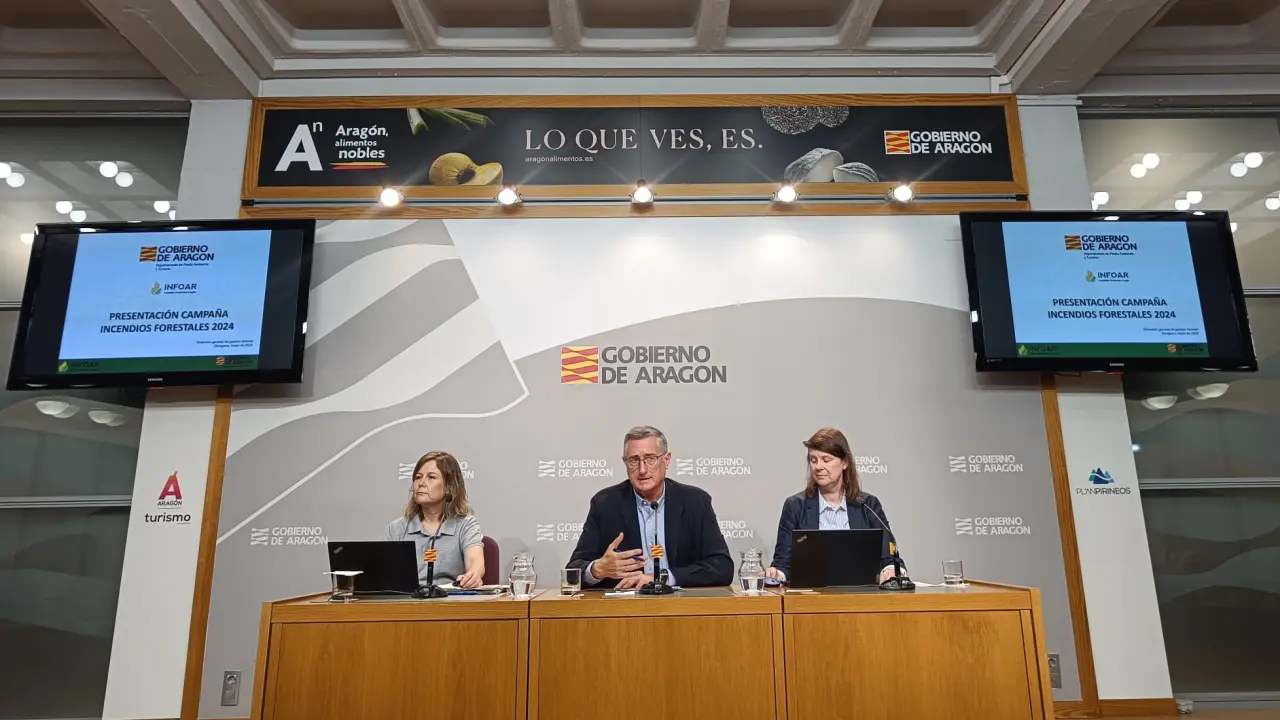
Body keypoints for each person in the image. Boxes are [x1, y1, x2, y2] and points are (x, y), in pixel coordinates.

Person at [567, 425, 733, 589]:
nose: (642, 469)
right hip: (626, 604)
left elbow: (722, 567)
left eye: (650, 459)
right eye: (634, 460)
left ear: (666, 460)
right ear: (625, 463)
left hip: (681, 602)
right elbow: (573, 571)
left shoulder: (695, 502)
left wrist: (663, 578)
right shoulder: (605, 504)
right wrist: (597, 570)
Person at [766, 428, 902, 585]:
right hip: (811, 595)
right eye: (813, 460)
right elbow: (783, 564)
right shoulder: (795, 506)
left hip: (861, 594)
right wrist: (777, 574)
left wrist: (891, 570)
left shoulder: (868, 505)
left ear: (844, 462)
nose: (818, 467)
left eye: (826, 459)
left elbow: (889, 558)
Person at [385, 450, 486, 589]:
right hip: (407, 600)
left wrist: (472, 576)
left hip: (450, 598)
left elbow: (475, 561)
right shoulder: (397, 528)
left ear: (449, 486)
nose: (421, 483)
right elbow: (384, 573)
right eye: (418, 477)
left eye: (431, 477)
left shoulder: (465, 524)